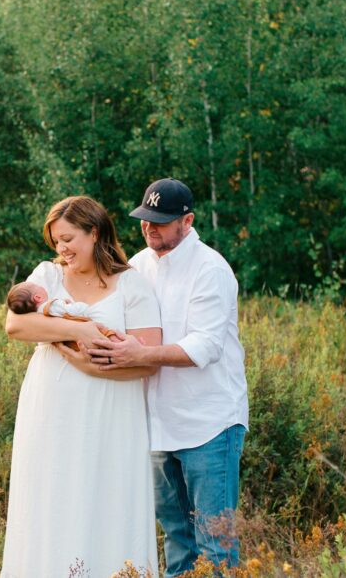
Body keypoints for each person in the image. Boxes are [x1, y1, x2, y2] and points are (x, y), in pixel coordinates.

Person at [86, 178, 250, 576]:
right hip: (157, 425)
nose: (149, 228)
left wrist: (141, 354)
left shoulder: (211, 269)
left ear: (187, 221)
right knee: (177, 538)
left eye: (160, 221)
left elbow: (204, 347)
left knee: (216, 543)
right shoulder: (138, 266)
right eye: (145, 220)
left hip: (209, 425)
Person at [0, 196, 163, 577]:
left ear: (94, 232)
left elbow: (149, 359)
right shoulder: (47, 276)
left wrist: (89, 367)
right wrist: (80, 330)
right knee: (52, 495)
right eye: (56, 241)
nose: (62, 249)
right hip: (50, 408)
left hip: (112, 412)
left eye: (69, 238)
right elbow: (17, 325)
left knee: (107, 497)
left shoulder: (131, 284)